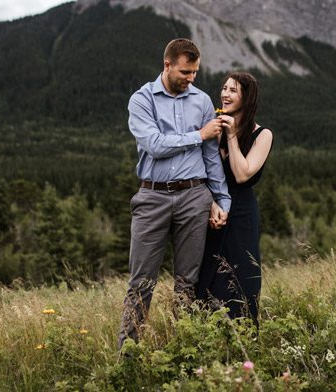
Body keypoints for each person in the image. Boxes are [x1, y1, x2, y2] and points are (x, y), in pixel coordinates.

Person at [117, 38, 231, 348]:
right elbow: (153, 145)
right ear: (167, 65)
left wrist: (221, 199)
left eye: (195, 72)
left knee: (187, 283)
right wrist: (198, 134)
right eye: (185, 72)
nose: (191, 78)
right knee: (141, 282)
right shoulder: (141, 100)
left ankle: (185, 350)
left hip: (195, 196)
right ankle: (128, 358)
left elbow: (210, 156)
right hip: (152, 197)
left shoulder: (203, 101)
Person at [197, 71, 273, 323]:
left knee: (241, 278)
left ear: (247, 97)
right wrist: (211, 205)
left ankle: (243, 336)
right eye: (224, 88)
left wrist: (231, 136)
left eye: (233, 90)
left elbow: (242, 175)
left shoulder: (262, 135)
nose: (225, 94)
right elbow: (201, 173)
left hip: (241, 215)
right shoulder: (212, 128)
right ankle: (203, 336)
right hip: (212, 211)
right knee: (207, 275)